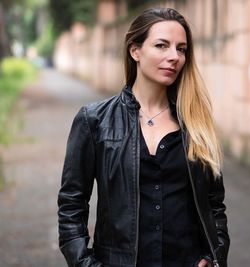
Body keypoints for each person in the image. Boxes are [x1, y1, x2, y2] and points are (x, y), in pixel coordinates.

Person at [57, 7, 229, 267]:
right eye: (162, 45)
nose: (174, 57)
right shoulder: (94, 121)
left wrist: (213, 256)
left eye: (181, 49)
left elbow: (215, 205)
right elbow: (72, 205)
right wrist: (85, 264)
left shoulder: (196, 123)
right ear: (135, 50)